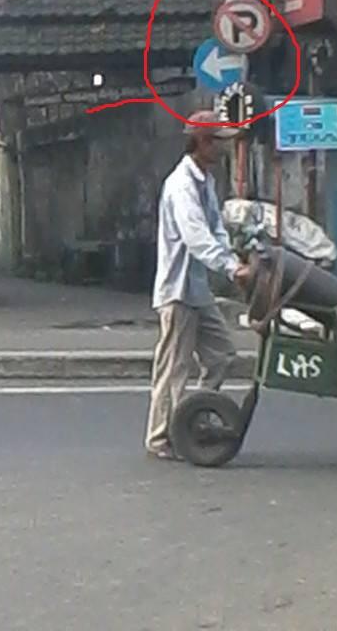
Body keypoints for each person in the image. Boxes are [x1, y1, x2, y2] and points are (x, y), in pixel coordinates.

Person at [145, 109, 251, 460]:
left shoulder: (205, 181)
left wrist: (234, 261)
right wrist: (229, 267)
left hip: (198, 288)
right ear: (203, 142)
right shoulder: (181, 185)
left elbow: (216, 229)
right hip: (177, 291)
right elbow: (196, 237)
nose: (223, 149)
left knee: (221, 355)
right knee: (174, 368)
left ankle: (190, 419)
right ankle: (163, 438)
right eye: (219, 142)